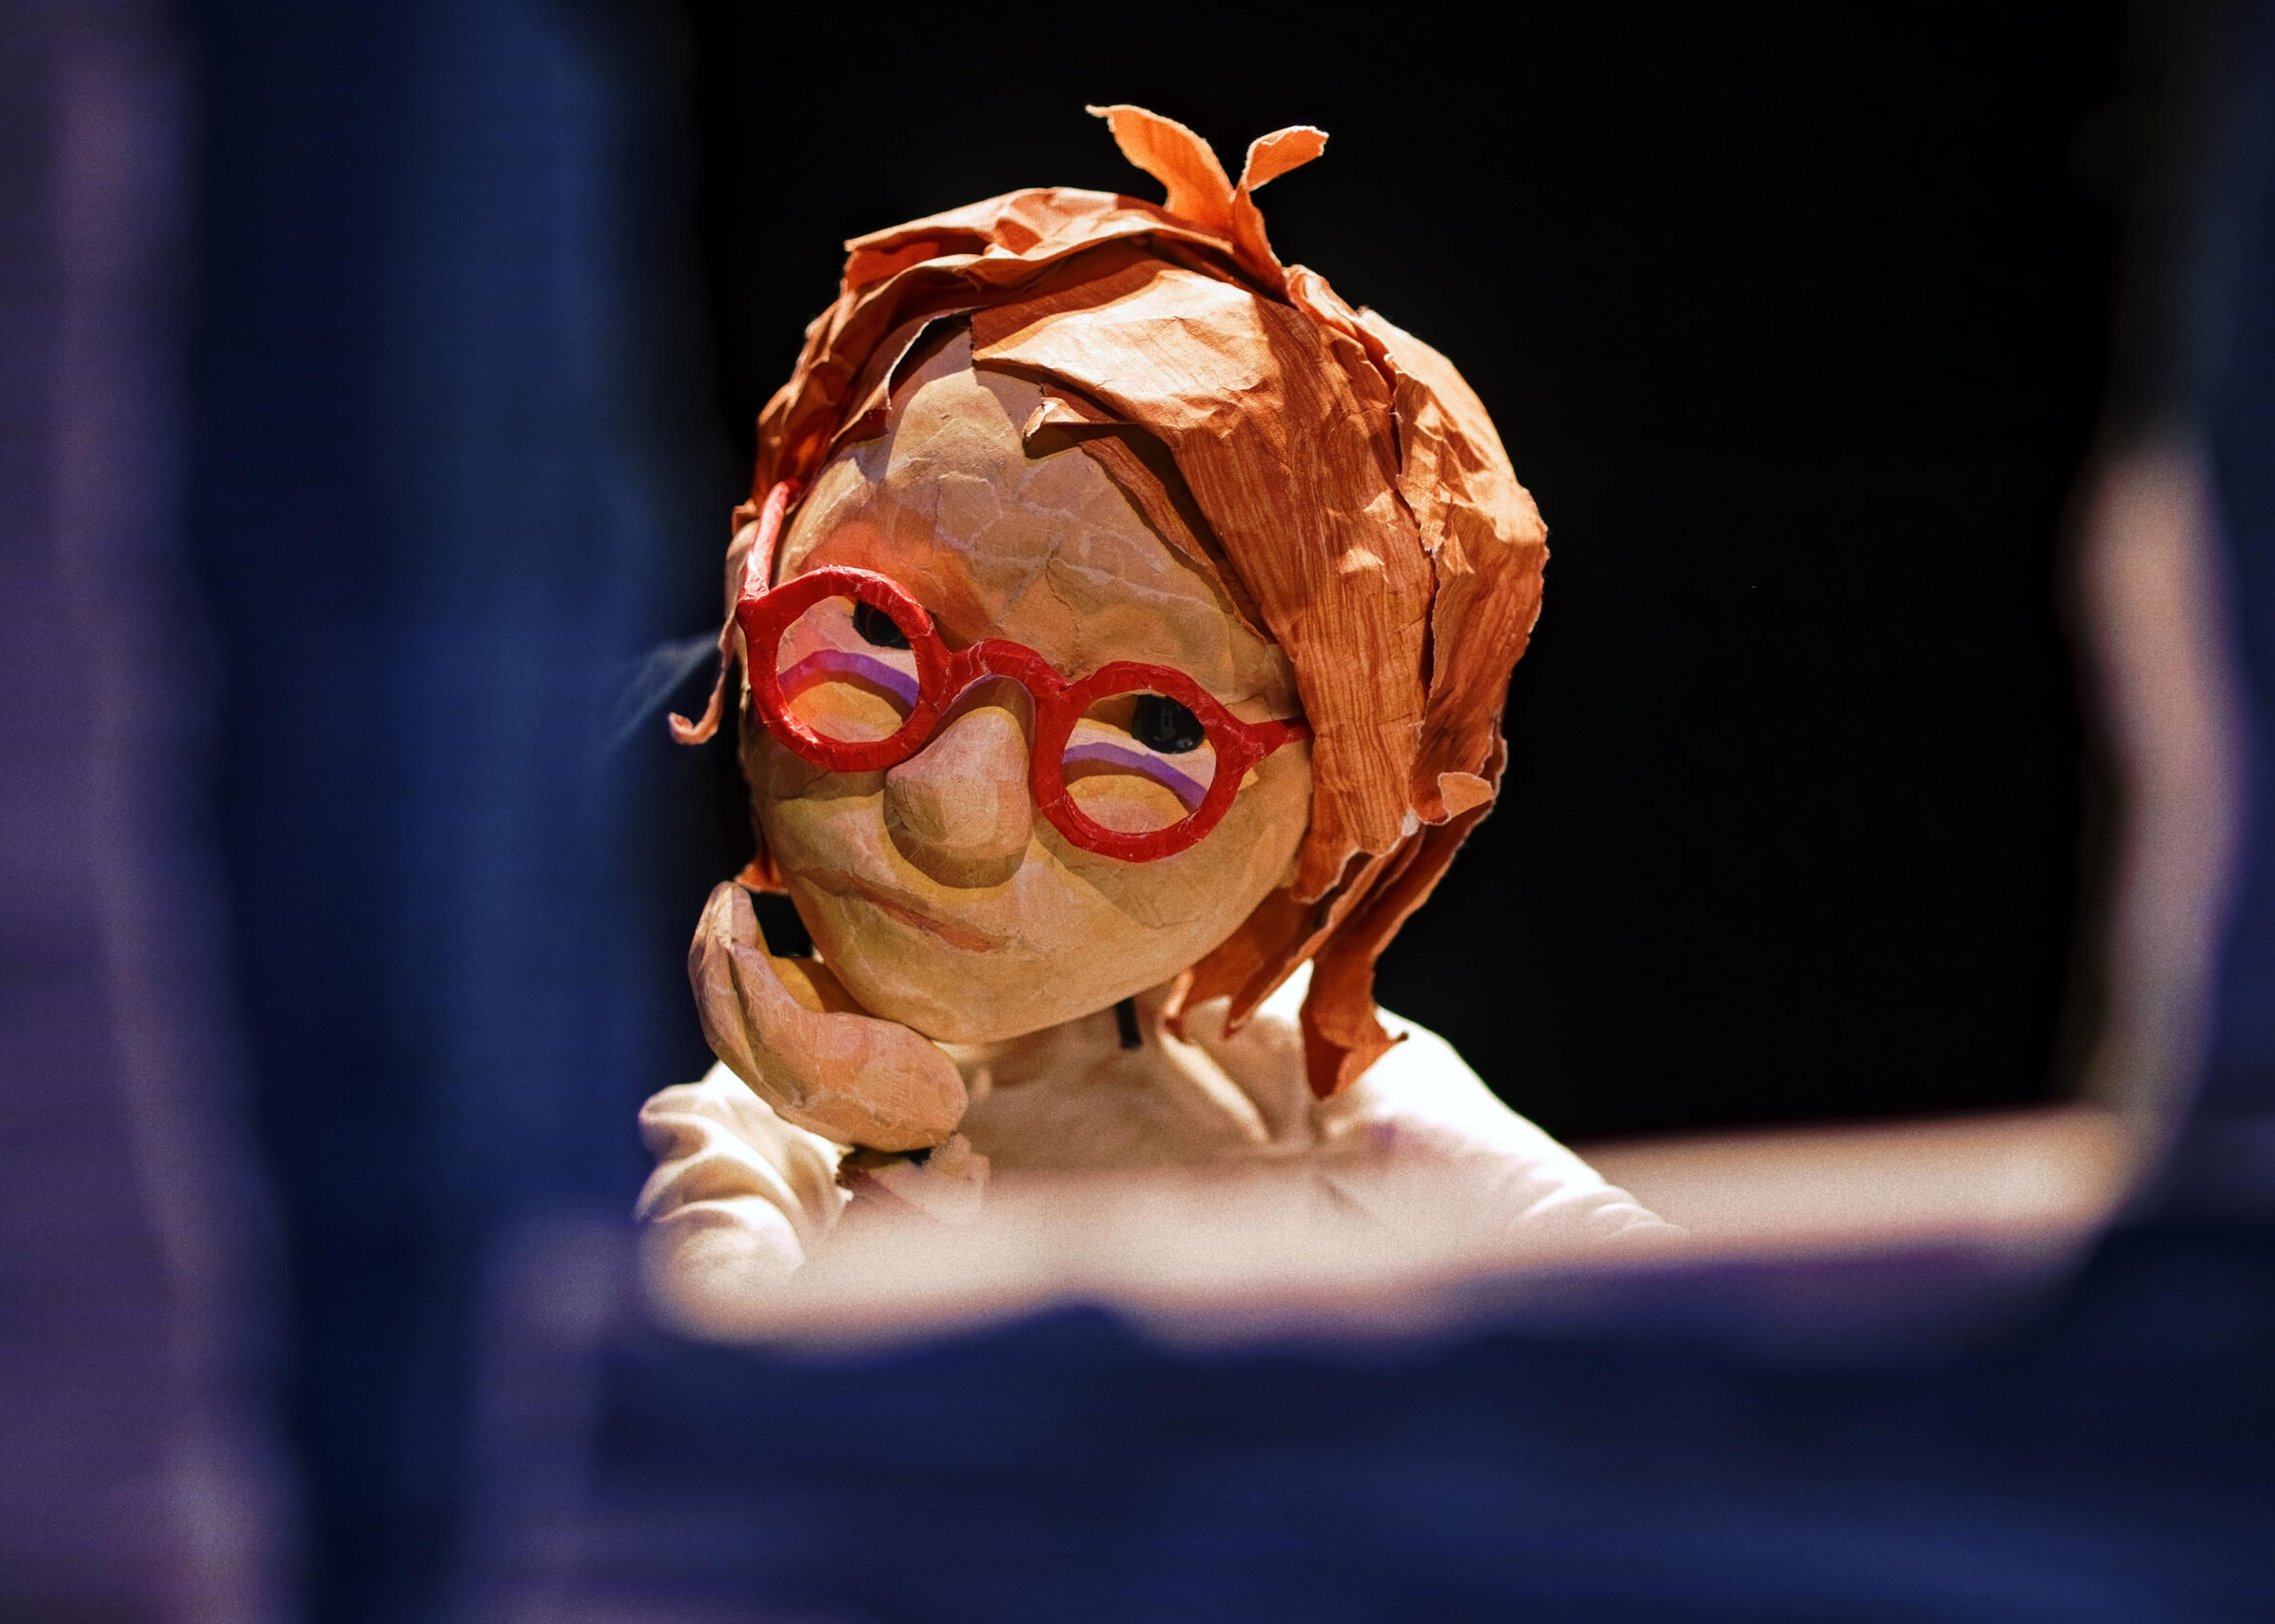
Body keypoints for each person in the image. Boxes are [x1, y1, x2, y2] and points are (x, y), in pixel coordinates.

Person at [638, 107, 1670, 1319]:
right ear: (754, 583)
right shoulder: (768, 1124)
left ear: (1337, 803)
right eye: (873, 628)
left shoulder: (1298, 1081)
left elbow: (1650, 1296)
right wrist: (895, 1155)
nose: (951, 812)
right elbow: (729, 1371)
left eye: (1157, 727)